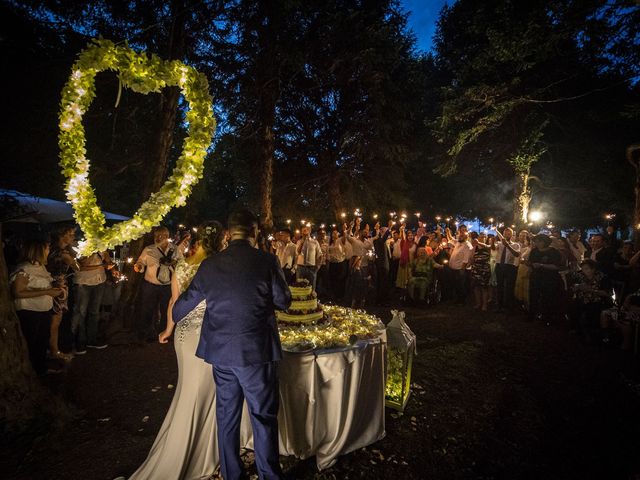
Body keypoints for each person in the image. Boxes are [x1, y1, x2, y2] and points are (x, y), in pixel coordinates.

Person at [172, 209, 291, 480]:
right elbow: (284, 301)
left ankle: (231, 474)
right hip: (256, 353)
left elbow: (179, 310)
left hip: (222, 355)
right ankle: (269, 476)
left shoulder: (210, 265)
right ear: (255, 232)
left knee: (226, 417)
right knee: (262, 418)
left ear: (228, 233)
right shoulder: (267, 261)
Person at [127, 221, 233, 479]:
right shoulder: (218, 266)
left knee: (202, 391)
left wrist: (168, 329)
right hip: (207, 333)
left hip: (187, 334)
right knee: (198, 392)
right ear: (220, 240)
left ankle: (208, 449)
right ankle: (182, 454)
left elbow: (175, 301)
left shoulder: (185, 264)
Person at [10, 238, 65, 375]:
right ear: (38, 251)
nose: (49, 251)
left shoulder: (40, 267)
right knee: (32, 342)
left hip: (43, 310)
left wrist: (56, 288)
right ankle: (33, 371)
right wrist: (47, 291)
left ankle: (41, 368)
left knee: (42, 340)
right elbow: (17, 292)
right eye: (46, 248)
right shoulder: (24, 269)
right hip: (30, 312)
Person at [134, 227, 188, 343]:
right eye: (158, 235)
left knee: (166, 309)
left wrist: (174, 263)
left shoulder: (175, 249)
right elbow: (141, 262)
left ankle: (164, 332)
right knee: (147, 309)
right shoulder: (149, 249)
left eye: (163, 235)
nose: (160, 237)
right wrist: (138, 266)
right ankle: (146, 333)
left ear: (168, 236)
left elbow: (182, 264)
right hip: (150, 284)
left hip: (168, 285)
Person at [46, 225, 78, 360]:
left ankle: (53, 349)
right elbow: (76, 267)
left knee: (55, 319)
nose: (73, 237)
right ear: (62, 235)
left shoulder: (53, 249)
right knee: (55, 320)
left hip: (54, 285)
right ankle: (54, 351)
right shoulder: (62, 253)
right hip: (57, 287)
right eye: (70, 234)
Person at [71, 248, 112, 353]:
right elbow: (82, 266)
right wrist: (101, 265)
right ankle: (79, 341)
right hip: (83, 282)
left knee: (94, 312)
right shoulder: (79, 245)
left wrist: (109, 263)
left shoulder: (102, 243)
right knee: (80, 312)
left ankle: (91, 339)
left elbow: (106, 257)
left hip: (99, 280)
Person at [568, 259, 613, 343]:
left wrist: (591, 290)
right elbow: (575, 286)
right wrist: (576, 287)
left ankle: (590, 334)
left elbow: (607, 293)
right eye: (583, 269)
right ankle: (578, 329)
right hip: (584, 298)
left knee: (589, 309)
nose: (584, 271)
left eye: (587, 269)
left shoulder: (602, 277)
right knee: (573, 305)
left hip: (599, 300)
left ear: (593, 269)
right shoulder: (581, 276)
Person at [528, 234, 564, 324]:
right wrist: (528, 264)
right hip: (536, 278)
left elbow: (556, 266)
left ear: (544, 242)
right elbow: (531, 262)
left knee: (547, 298)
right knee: (533, 296)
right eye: (536, 241)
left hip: (549, 279)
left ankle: (546, 317)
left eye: (538, 241)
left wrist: (541, 265)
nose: (536, 243)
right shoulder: (534, 251)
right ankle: (532, 315)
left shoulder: (553, 252)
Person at [494, 227, 521, 311]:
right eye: (505, 233)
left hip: (510, 267)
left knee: (509, 287)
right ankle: (499, 305)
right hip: (499, 266)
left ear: (512, 235)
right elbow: (491, 248)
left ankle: (509, 306)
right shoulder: (499, 243)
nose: (507, 235)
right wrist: (492, 241)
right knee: (499, 286)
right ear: (503, 234)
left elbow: (517, 254)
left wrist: (508, 246)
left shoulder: (516, 244)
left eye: (509, 233)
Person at [446, 225, 474, 304]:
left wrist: (462, 270)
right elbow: (451, 239)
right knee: (456, 285)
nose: (460, 236)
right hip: (453, 268)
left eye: (462, 235)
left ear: (466, 237)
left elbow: (466, 259)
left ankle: (462, 301)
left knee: (461, 286)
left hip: (459, 270)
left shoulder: (467, 245)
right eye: (460, 235)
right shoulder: (458, 242)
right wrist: (448, 232)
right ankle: (457, 299)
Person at [295, 225, 322, 290]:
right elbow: (298, 252)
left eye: (306, 230)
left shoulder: (315, 242)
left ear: (309, 231)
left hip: (311, 268)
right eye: (303, 231)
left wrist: (318, 266)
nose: (304, 232)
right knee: (300, 287)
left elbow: (320, 255)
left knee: (311, 287)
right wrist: (302, 241)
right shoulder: (299, 242)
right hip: (301, 267)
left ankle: (311, 300)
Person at [470, 232, 491, 311]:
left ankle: (484, 305)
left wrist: (478, 243)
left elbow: (487, 247)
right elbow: (471, 258)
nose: (482, 238)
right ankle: (478, 303)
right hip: (476, 269)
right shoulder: (474, 248)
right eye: (481, 237)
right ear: (478, 238)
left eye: (484, 237)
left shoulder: (488, 247)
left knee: (484, 288)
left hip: (484, 270)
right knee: (476, 287)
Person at [326, 228, 347, 301]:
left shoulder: (340, 240)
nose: (334, 234)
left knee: (339, 280)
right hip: (332, 263)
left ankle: (340, 296)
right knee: (332, 280)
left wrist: (345, 229)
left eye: (336, 233)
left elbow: (345, 236)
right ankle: (333, 295)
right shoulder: (330, 243)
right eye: (333, 233)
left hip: (340, 263)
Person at [514, 230, 531, 310]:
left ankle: (527, 306)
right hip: (517, 267)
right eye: (521, 235)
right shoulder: (516, 244)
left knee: (526, 287)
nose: (523, 238)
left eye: (525, 236)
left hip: (525, 268)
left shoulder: (530, 248)